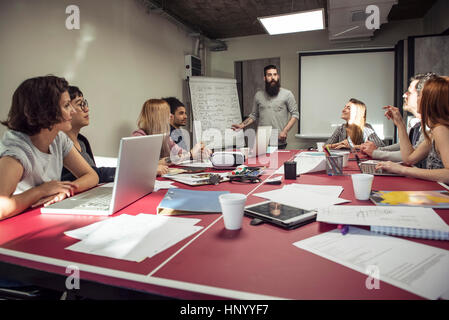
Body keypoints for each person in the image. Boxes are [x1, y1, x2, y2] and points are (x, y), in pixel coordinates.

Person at [0, 76, 99, 220]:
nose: (72, 111)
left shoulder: (58, 138)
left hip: (43, 216)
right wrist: (41, 191)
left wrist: (64, 191)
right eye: (66, 105)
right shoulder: (16, 152)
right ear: (45, 111)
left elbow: (91, 176)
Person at [376, 76, 449, 182]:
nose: (418, 99)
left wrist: (402, 170)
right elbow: (409, 159)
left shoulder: (441, 129)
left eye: (420, 95)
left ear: (430, 100)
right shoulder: (434, 131)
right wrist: (400, 124)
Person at [360, 73, 437, 165]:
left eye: (410, 92)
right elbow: (406, 148)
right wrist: (378, 150)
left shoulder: (435, 128)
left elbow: (410, 157)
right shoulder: (418, 123)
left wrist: (376, 152)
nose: (404, 95)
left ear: (427, 96)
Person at [231, 64, 299, 149]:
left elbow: (295, 114)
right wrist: (242, 125)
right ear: (265, 78)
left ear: (278, 76)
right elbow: (254, 115)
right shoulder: (258, 95)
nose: (273, 77)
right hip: (262, 140)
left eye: (275, 74)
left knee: (277, 162)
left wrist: (285, 131)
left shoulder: (287, 94)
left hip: (278, 139)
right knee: (260, 162)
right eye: (269, 75)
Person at [132, 99, 210, 169]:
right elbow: (142, 166)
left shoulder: (165, 137)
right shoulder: (139, 137)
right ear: (157, 117)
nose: (171, 116)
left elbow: (181, 154)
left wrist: (199, 154)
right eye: (167, 113)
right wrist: (191, 154)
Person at [61, 86, 116, 183]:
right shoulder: (58, 144)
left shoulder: (82, 141)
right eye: (80, 104)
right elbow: (72, 177)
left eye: (84, 103)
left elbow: (93, 174)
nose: (86, 109)